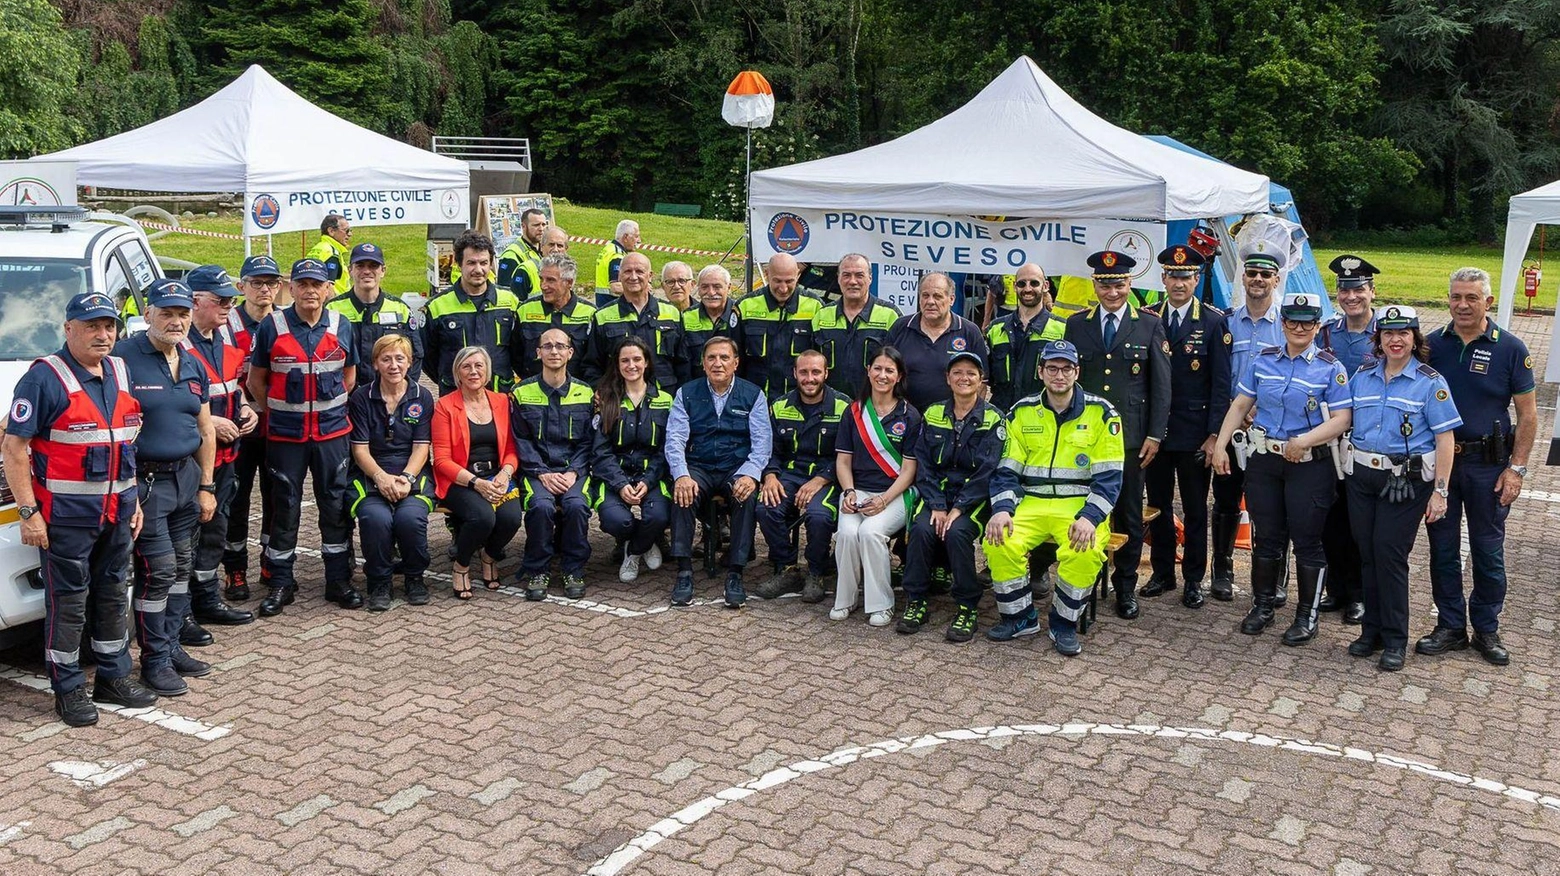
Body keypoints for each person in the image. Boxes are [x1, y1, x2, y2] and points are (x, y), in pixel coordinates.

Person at [2, 292, 159, 725]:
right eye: (91, 326)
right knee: (68, 604)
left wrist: (133, 501)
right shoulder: (43, 379)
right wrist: (29, 514)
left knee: (112, 597)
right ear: (68, 329)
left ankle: (113, 677)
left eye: (109, 326)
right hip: (65, 520)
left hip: (118, 513)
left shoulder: (120, 371)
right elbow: (14, 449)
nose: (103, 335)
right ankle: (68, 688)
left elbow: (123, 443)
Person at [1213, 292, 1352, 643]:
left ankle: (1307, 616)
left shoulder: (1330, 368)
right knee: (1267, 537)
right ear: (1283, 323)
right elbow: (1241, 403)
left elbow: (1342, 419)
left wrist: (1305, 440)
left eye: (1307, 322)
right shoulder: (1264, 360)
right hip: (1265, 460)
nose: (1299, 328)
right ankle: (1262, 606)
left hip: (1309, 464)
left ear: (1317, 326)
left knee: (1307, 539)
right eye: (1292, 321)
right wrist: (1220, 445)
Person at [1417, 267, 1538, 667]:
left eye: (1472, 298)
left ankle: (1486, 628)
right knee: (1443, 550)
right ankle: (1451, 626)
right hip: (1445, 467)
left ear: (1488, 302)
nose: (1462, 305)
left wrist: (1516, 469)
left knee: (1488, 551)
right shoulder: (1432, 345)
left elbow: (1528, 415)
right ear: (1447, 299)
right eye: (1456, 297)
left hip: (1490, 468)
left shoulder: (1512, 348)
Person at [982, 340, 1123, 656]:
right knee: (997, 539)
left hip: (1078, 506)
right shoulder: (1021, 412)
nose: (1059, 375)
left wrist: (1090, 517)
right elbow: (1005, 471)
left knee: (1084, 552)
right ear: (1041, 372)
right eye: (1052, 368)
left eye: (1066, 368)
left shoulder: (1102, 414)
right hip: (1030, 502)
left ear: (1077, 371)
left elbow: (1110, 479)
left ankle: (1063, 624)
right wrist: (1003, 508)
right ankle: (1020, 617)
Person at [115, 279, 218, 696]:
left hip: (186, 479)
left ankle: (171, 645)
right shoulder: (122, 358)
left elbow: (205, 428)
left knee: (180, 570)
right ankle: (153, 660)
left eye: (182, 314)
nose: (175, 322)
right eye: (166, 314)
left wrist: (207, 485)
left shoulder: (192, 361)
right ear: (148, 316)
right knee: (157, 572)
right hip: (146, 483)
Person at [1344, 306, 1460, 671]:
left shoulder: (1430, 383)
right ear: (1378, 339)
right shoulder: (1362, 376)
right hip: (1362, 477)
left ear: (1415, 339)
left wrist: (1440, 491)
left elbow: (1445, 440)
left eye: (1404, 333)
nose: (1396, 340)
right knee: (1366, 552)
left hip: (1405, 482)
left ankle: (1395, 638)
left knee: (1389, 555)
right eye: (1388, 333)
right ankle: (1371, 631)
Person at [246, 258, 358, 616]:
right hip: (286, 437)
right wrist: (280, 411)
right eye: (303, 284)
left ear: (328, 289)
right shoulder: (271, 327)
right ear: (290, 288)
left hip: (331, 436)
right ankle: (280, 582)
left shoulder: (342, 325)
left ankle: (338, 581)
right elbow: (256, 381)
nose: (310, 291)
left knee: (335, 506)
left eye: (317, 285)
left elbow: (350, 376)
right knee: (284, 507)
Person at [1064, 250, 1171, 620]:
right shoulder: (1076, 325)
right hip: (1085, 438)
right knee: (1085, 510)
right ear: (1095, 285)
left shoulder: (1149, 324)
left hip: (1129, 440)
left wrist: (1155, 434)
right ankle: (1086, 581)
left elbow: (1161, 386)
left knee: (1127, 513)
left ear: (1130, 284)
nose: (1113, 292)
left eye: (1120, 284)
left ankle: (1125, 586)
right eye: (1106, 284)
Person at [1140, 245, 1231, 609]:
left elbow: (1221, 384)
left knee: (1195, 508)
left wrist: (1214, 436)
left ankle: (1194, 578)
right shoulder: (1147, 319)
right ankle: (1163, 571)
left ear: (1197, 279)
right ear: (1163, 278)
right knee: (1158, 504)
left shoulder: (1212, 321)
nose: (1179, 283)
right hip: (1156, 433)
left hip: (1195, 431)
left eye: (1186, 277)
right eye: (1173, 276)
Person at [899, 351, 1005, 642]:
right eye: (957, 372)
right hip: (937, 495)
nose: (964, 378)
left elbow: (988, 471)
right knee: (921, 529)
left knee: (957, 534)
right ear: (947, 378)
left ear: (981, 381)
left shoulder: (994, 419)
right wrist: (936, 504)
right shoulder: (933, 413)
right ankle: (916, 600)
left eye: (971, 373)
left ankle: (967, 605)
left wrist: (958, 507)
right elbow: (923, 463)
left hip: (974, 498)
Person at [180, 266, 258, 640]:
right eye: (221, 300)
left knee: (216, 529)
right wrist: (212, 425)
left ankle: (207, 598)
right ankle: (183, 612)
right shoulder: (179, 345)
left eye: (231, 300)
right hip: (190, 461)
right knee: (187, 536)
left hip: (226, 458)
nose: (229, 306)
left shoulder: (226, 342)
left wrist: (243, 410)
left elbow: (233, 388)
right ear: (195, 301)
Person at [665, 336, 771, 608]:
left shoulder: (753, 394)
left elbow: (762, 443)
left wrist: (750, 474)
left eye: (724, 357)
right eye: (711, 357)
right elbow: (675, 438)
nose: (718, 363)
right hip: (698, 466)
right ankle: (684, 571)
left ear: (736, 363)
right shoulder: (686, 393)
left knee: (745, 496)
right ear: (702, 363)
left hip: (735, 467)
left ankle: (736, 573)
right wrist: (681, 474)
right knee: (682, 493)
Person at [1209, 245, 1288, 603]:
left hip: (1270, 432)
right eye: (1251, 273)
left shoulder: (1287, 325)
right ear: (1243, 278)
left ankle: (1274, 577)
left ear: (1276, 279)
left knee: (1270, 507)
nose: (1258, 280)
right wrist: (1232, 411)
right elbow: (1216, 374)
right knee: (1226, 501)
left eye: (1265, 274)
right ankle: (1222, 571)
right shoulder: (1224, 322)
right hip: (1231, 427)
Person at [831, 346, 920, 627]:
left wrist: (884, 499)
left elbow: (909, 471)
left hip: (896, 493)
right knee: (846, 532)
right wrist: (849, 492)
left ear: (899, 376)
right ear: (868, 371)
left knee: (870, 532)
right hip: (859, 491)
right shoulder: (853, 412)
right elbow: (843, 461)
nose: (882, 375)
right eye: (877, 368)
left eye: (889, 370)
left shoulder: (910, 416)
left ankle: (882, 604)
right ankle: (845, 598)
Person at [348, 334, 436, 612]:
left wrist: (407, 479)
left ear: (410, 362)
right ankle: (379, 582)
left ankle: (414, 577)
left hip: (412, 471)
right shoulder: (361, 397)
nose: (393, 365)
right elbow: (360, 450)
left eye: (400, 358)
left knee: (410, 518)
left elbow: (422, 447)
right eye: (386, 359)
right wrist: (381, 478)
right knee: (376, 519)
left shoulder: (422, 396)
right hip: (371, 472)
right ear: (375, 363)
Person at [753, 350, 849, 602]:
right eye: (804, 372)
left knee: (819, 515)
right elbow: (770, 450)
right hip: (790, 474)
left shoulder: (844, 407)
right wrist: (770, 476)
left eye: (816, 372)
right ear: (795, 373)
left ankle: (816, 572)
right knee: (765, 507)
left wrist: (820, 480)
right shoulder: (779, 406)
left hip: (828, 476)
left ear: (826, 374)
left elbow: (847, 455)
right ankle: (787, 568)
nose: (810, 378)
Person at [1315, 254, 1379, 624]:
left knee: (1360, 524)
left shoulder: (1387, 333)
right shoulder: (1326, 333)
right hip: (1330, 440)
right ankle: (1336, 589)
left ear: (1371, 291)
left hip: (1368, 441)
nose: (1351, 296)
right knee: (1330, 517)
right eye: (1344, 289)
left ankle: (1359, 594)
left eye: (1358, 289)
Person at [431, 346, 522, 601]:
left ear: (488, 372)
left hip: (498, 476)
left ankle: (489, 555)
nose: (473, 372)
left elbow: (513, 449)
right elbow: (441, 460)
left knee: (511, 518)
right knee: (483, 518)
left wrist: (505, 473)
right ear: (457, 374)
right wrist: (476, 483)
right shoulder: (445, 407)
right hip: (461, 479)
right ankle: (461, 565)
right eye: (466, 367)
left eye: (479, 366)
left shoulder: (503, 402)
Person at [512, 328, 596, 599]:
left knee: (576, 505)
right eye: (547, 346)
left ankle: (573, 569)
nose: (554, 351)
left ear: (570, 353)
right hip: (537, 471)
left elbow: (589, 441)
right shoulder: (521, 392)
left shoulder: (586, 393)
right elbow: (520, 440)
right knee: (540, 506)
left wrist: (574, 472)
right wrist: (542, 473)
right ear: (538, 353)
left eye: (560, 346)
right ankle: (538, 569)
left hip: (575, 470)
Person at [223, 254, 284, 602]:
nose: (264, 289)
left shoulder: (282, 321)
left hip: (276, 422)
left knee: (277, 495)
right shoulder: (226, 325)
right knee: (237, 496)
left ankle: (269, 561)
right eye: (257, 283)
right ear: (241, 286)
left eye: (271, 283)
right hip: (240, 424)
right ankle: (234, 567)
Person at [591, 336, 674, 584]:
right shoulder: (604, 400)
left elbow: (665, 449)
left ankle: (634, 550)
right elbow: (600, 451)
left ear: (646, 362)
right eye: (624, 360)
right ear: (617, 365)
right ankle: (642, 542)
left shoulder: (665, 400)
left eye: (637, 359)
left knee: (659, 517)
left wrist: (648, 481)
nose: (631, 365)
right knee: (616, 521)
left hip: (653, 477)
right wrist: (619, 484)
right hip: (616, 476)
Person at [422, 230, 524, 394]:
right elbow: (427, 358)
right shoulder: (437, 307)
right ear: (458, 263)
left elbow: (519, 350)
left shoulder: (510, 301)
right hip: (455, 398)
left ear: (491, 263)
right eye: (471, 263)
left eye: (484, 263)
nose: (478, 269)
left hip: (499, 396)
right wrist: (448, 378)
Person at [885, 272, 989, 411]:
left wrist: (967, 417)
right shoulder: (901, 327)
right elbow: (883, 372)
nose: (930, 302)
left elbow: (982, 383)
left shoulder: (969, 332)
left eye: (937, 296)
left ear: (951, 299)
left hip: (950, 422)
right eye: (925, 295)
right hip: (904, 419)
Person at [583, 252, 685, 390]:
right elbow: (592, 366)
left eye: (639, 271)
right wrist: (602, 393)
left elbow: (684, 364)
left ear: (650, 276)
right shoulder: (603, 316)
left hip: (665, 400)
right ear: (619, 275)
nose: (633, 277)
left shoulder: (672, 313)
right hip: (619, 400)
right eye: (627, 271)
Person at [326, 242, 423, 385]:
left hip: (388, 396)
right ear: (350, 270)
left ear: (383, 270)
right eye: (360, 265)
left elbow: (415, 355)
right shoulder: (332, 308)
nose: (367, 271)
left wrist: (401, 389)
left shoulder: (400, 308)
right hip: (347, 396)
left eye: (373, 266)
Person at [812, 253, 898, 396]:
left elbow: (898, 367)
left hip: (872, 408)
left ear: (870, 278)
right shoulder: (821, 316)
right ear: (838, 279)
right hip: (831, 407)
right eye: (846, 275)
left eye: (859, 275)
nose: (852, 281)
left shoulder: (890, 315)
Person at [985, 262, 1066, 412]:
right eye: (1022, 284)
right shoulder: (995, 330)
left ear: (1046, 286)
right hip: (1002, 418)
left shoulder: (1062, 330)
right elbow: (983, 381)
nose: (1027, 289)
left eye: (1034, 283)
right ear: (1015, 286)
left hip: (1042, 419)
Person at [736, 253, 820, 396]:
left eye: (789, 281)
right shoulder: (745, 306)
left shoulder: (815, 306)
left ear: (798, 275)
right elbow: (734, 357)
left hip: (797, 399)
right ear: (767, 274)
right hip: (754, 397)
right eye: (777, 281)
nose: (783, 288)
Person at [515, 254, 595, 380]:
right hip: (533, 394)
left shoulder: (590, 313)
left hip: (576, 394)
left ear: (569, 282)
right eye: (541, 279)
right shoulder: (524, 310)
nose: (543, 286)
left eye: (550, 280)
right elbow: (515, 356)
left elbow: (594, 361)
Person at [680, 264, 741, 383]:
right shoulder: (686, 317)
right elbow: (682, 362)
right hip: (697, 388)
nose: (711, 292)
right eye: (704, 287)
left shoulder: (741, 315)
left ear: (728, 288)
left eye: (717, 286)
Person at [497, 208, 548, 300]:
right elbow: (505, 293)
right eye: (536, 225)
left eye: (543, 224)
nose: (541, 229)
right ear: (523, 226)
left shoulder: (544, 249)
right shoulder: (511, 255)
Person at [595, 219, 641, 305]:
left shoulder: (608, 249)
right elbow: (616, 287)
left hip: (603, 302)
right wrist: (640, 291)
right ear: (626, 237)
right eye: (636, 236)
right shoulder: (617, 255)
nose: (639, 240)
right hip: (612, 304)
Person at [306, 213, 353, 296]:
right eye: (346, 230)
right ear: (331, 231)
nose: (350, 234)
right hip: (336, 304)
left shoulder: (318, 248)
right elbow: (329, 286)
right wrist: (331, 308)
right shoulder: (332, 253)